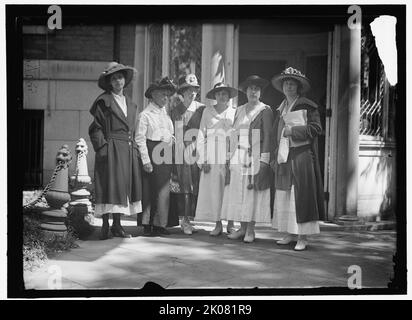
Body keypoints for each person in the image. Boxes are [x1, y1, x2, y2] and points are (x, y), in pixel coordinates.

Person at [270, 67, 325, 251]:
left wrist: (293, 131)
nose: (289, 86)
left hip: (301, 157)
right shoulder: (281, 108)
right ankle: (289, 233)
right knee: (285, 195)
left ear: (299, 87)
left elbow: (316, 129)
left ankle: (303, 236)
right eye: (286, 83)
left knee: (301, 196)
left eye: (292, 83)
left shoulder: (308, 106)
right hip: (284, 157)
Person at [89, 62, 142, 240]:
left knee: (121, 188)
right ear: (110, 82)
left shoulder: (131, 104)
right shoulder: (104, 101)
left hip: (126, 149)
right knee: (108, 185)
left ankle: (117, 226)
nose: (118, 81)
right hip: (110, 147)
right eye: (114, 79)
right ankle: (105, 225)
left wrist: (134, 149)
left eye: (120, 77)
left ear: (124, 80)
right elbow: (95, 128)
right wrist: (102, 147)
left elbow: (133, 130)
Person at [221, 75, 274, 243]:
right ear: (245, 91)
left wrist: (265, 160)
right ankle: (242, 228)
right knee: (239, 192)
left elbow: (269, 137)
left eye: (256, 89)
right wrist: (230, 157)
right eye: (250, 88)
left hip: (256, 154)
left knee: (251, 193)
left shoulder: (265, 110)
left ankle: (251, 229)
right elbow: (233, 135)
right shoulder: (240, 109)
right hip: (239, 155)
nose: (253, 91)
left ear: (260, 92)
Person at [135, 77, 177, 236]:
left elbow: (170, 132)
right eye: (162, 95)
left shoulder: (165, 114)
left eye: (167, 95)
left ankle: (161, 224)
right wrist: (146, 160)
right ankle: (147, 224)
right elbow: (140, 138)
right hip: (152, 151)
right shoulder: (145, 115)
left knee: (164, 190)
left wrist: (171, 140)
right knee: (149, 189)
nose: (165, 98)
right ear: (153, 96)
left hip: (164, 152)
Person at [195, 82, 236, 236]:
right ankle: (217, 223)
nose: (222, 96)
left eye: (225, 93)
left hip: (229, 153)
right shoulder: (207, 111)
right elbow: (201, 134)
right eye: (219, 94)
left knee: (229, 189)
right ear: (215, 96)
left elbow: (237, 135)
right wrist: (203, 159)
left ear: (229, 96)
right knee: (214, 190)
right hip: (212, 153)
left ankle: (230, 224)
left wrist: (233, 156)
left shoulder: (234, 112)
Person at [169, 74, 205, 235]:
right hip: (182, 151)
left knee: (196, 185)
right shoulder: (176, 110)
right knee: (184, 185)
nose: (192, 93)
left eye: (195, 89)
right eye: (188, 90)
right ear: (182, 92)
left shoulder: (202, 109)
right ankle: (184, 220)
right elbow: (175, 133)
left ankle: (191, 218)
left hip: (199, 150)